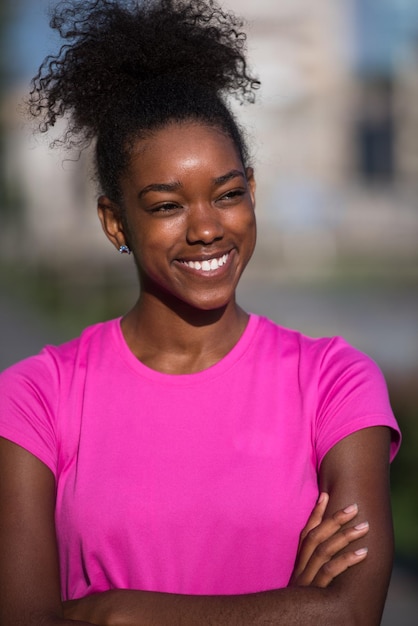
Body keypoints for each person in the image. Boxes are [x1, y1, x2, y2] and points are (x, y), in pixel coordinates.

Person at [0, 1, 400, 624]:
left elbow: (349, 613)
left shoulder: (335, 381)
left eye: (228, 193)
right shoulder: (35, 399)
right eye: (166, 205)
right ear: (114, 222)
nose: (209, 228)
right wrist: (290, 607)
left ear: (252, 193)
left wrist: (115, 612)